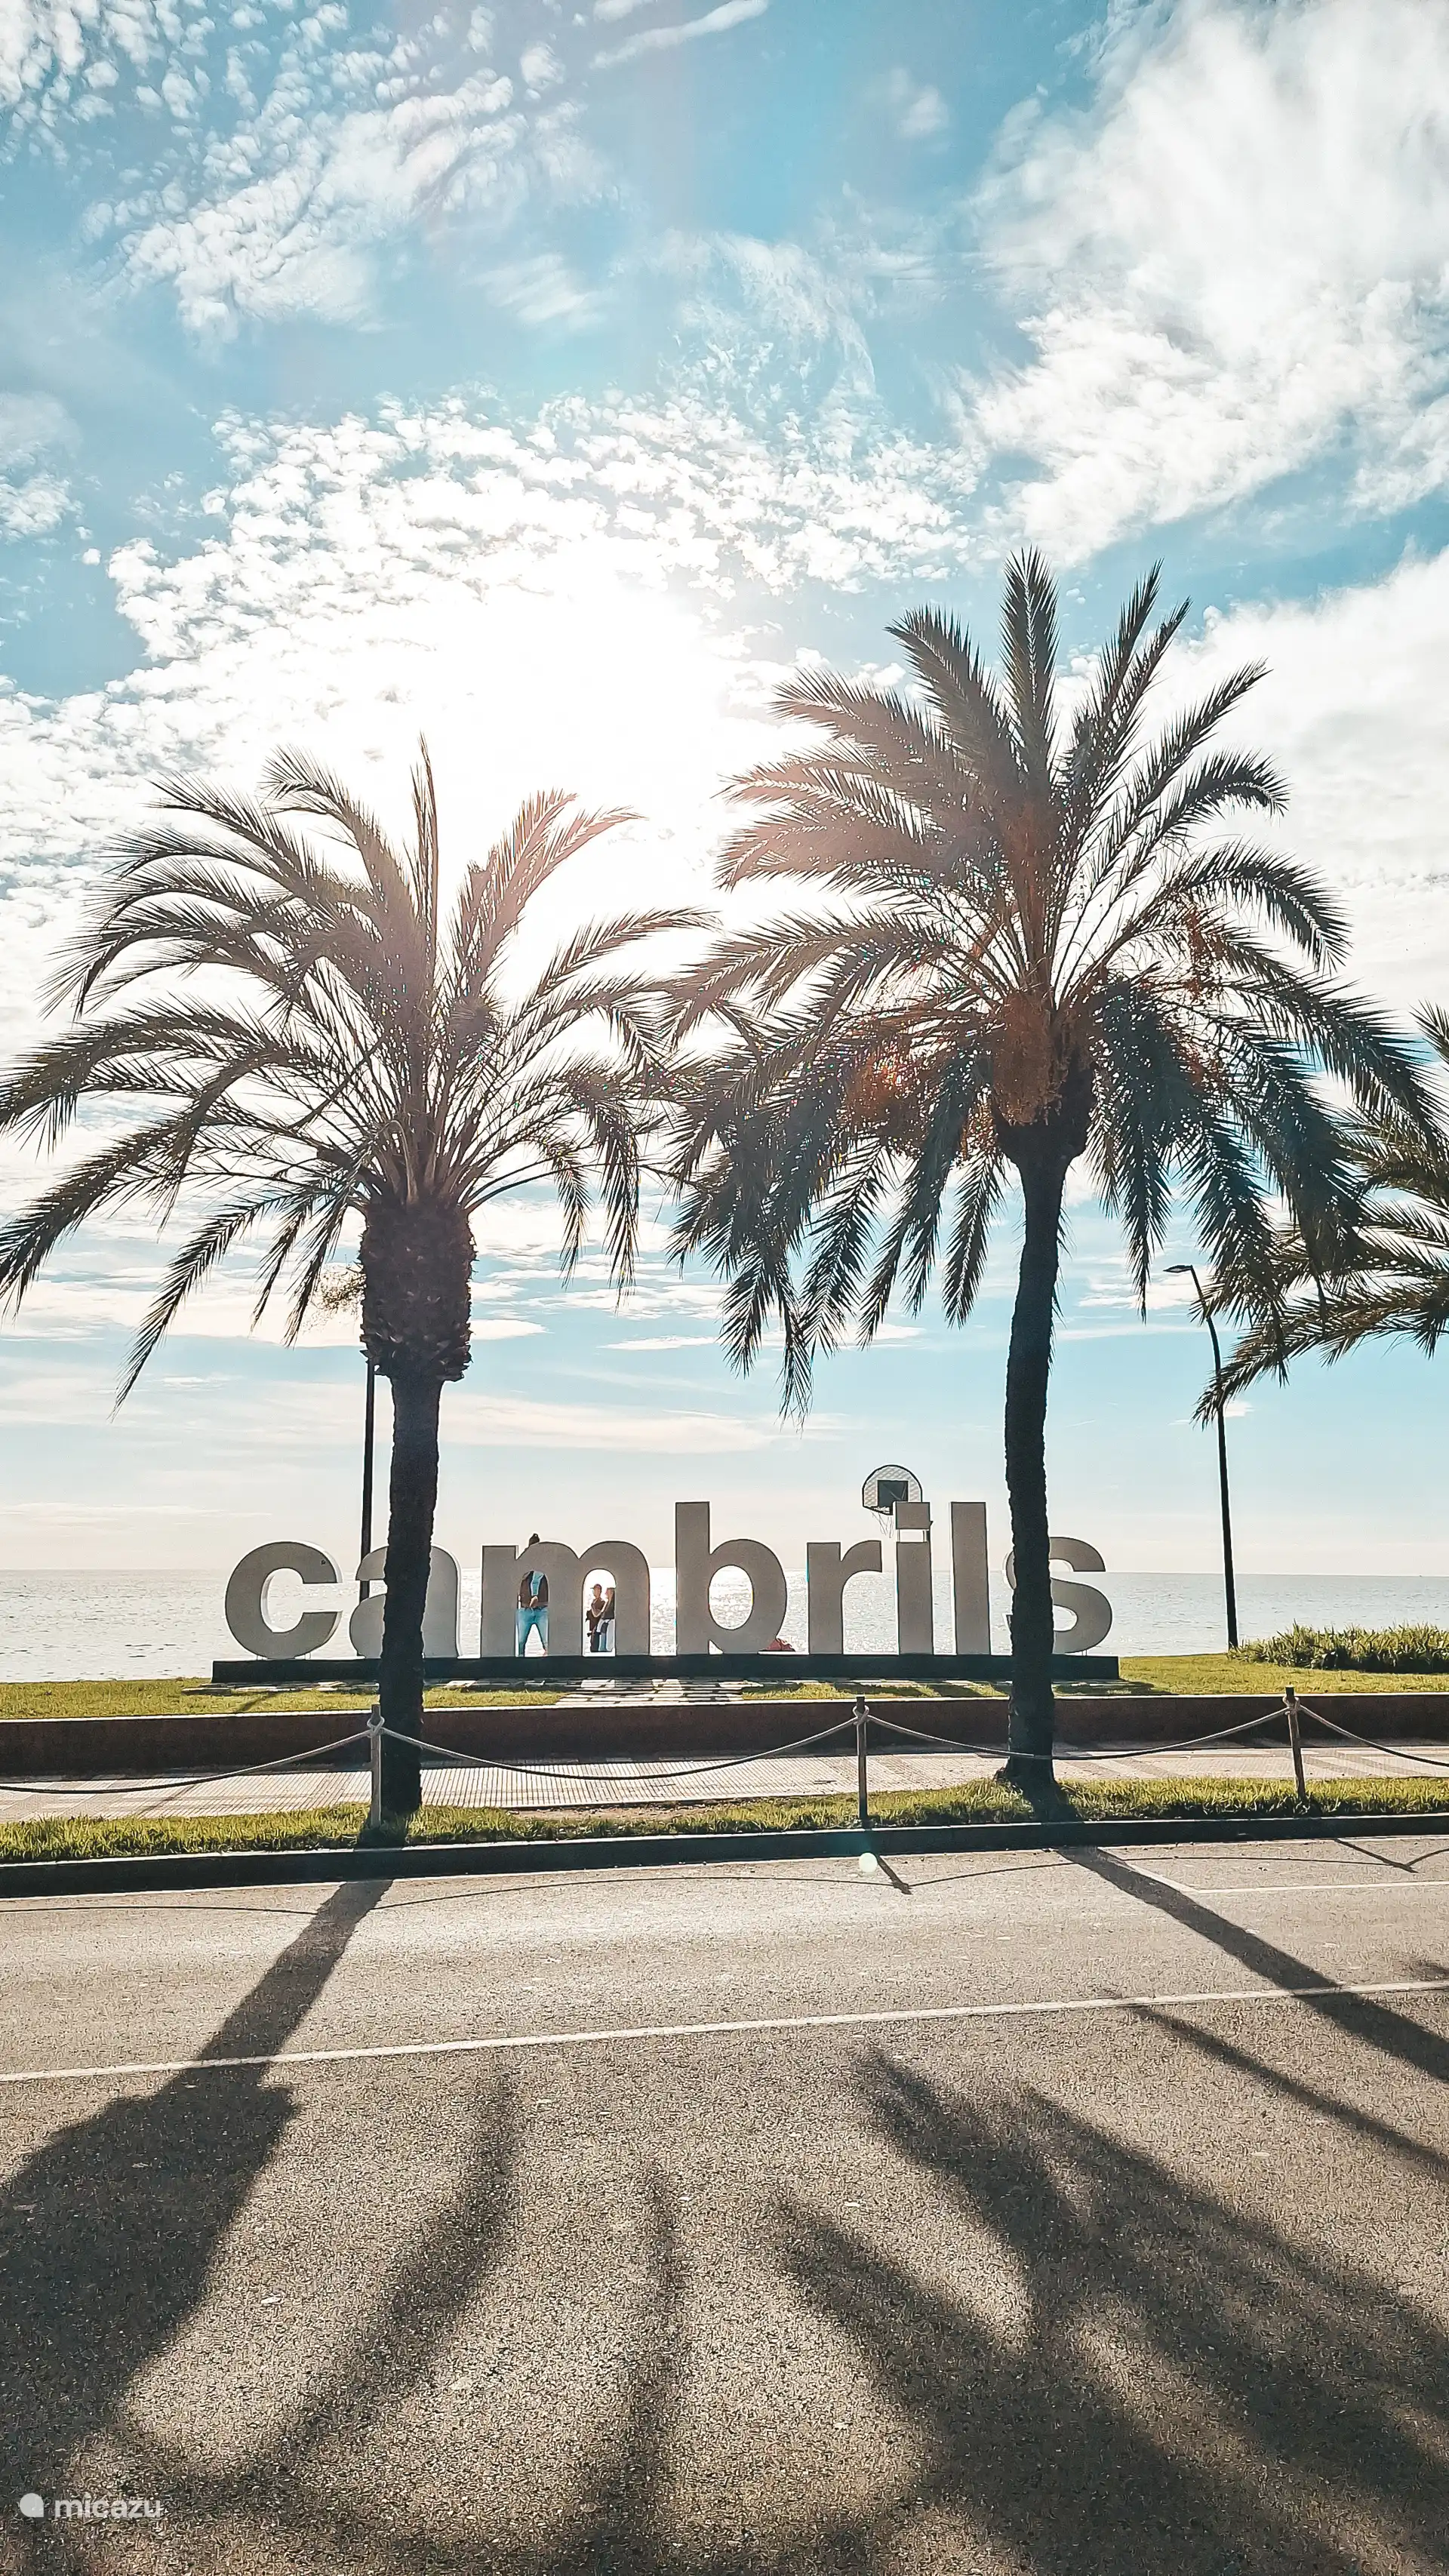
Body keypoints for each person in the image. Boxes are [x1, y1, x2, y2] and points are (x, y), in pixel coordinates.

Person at [517, 1540, 549, 1654]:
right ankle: (518, 1667)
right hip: (525, 1609)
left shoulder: (544, 1564)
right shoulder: (522, 1564)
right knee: (519, 1643)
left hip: (542, 1609)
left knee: (548, 1642)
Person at [586, 1581, 606, 1654]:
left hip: (597, 1629)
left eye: (595, 1590)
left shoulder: (602, 1602)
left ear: (599, 1591)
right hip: (592, 1628)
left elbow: (596, 1614)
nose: (593, 1592)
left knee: (595, 1648)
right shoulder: (594, 1602)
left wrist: (592, 1607)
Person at [600, 1582, 616, 1654]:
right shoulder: (607, 1603)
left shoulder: (613, 1604)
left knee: (609, 1642)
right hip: (604, 1625)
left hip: (609, 1623)